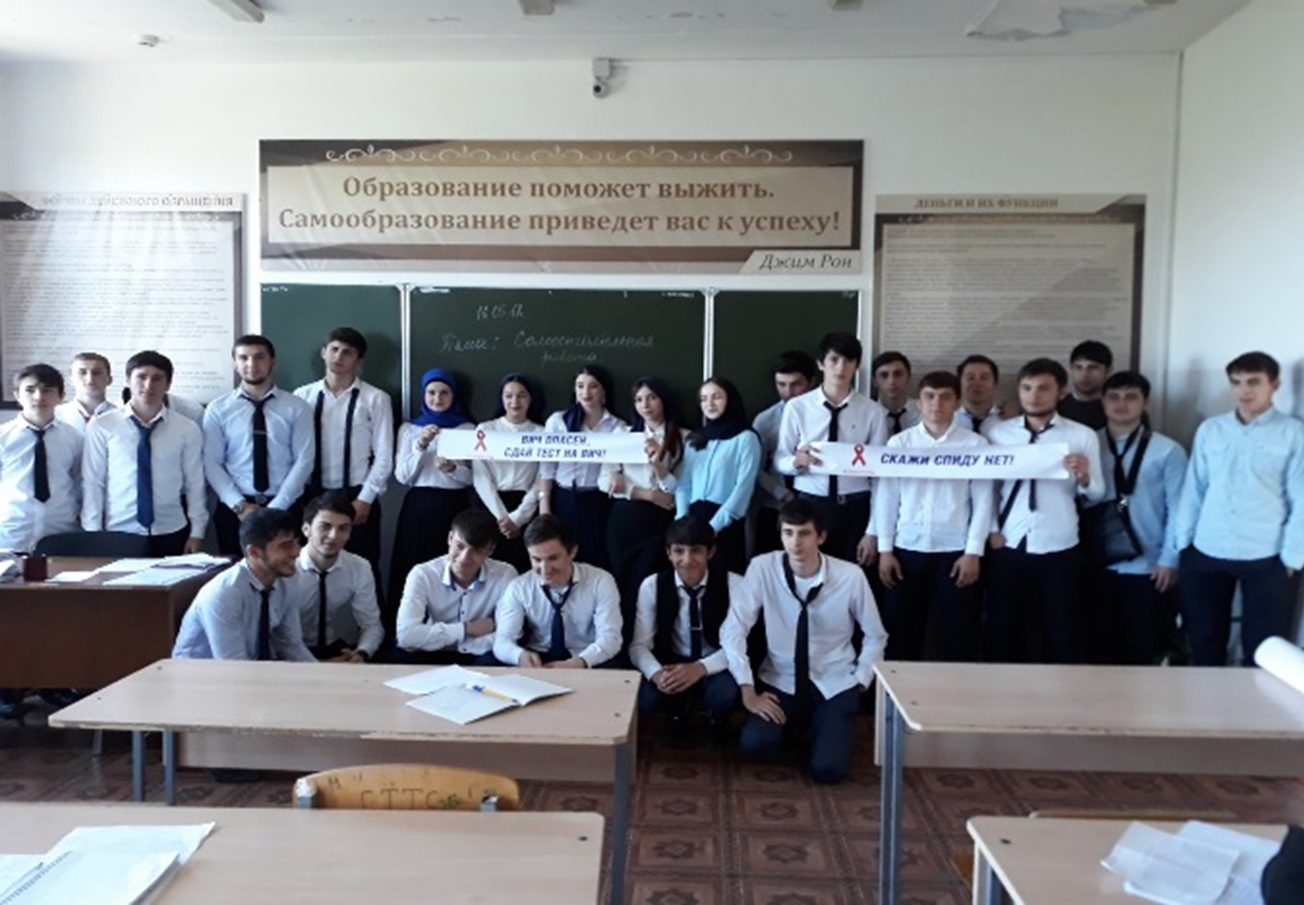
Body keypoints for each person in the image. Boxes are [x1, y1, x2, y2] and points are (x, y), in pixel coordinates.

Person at [721, 498, 887, 784]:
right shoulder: (762, 568)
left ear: (821, 537)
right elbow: (733, 629)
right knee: (754, 745)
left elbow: (875, 635)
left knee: (829, 771)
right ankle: (800, 730)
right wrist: (747, 689)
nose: (795, 543)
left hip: (834, 679)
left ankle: (822, 730)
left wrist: (860, 681)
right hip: (781, 677)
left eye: (804, 533)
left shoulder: (850, 576)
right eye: (788, 533)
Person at [1175, 351, 1304, 666]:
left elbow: (1301, 498)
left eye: (1254, 382)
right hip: (1207, 549)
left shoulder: (1293, 432)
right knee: (1204, 643)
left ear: (1275, 385)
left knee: (1264, 651)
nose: (1244, 390)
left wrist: (1293, 557)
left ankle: (1252, 702)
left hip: (1267, 554)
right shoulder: (1211, 429)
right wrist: (1183, 544)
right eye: (1237, 382)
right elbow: (1194, 488)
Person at [984, 358, 1105, 663]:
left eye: (1043, 388)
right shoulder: (999, 434)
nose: (1034, 395)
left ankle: (1060, 689)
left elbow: (1097, 493)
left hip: (1060, 542)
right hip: (1009, 541)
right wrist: (992, 529)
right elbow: (988, 489)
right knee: (1003, 627)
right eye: (1027, 388)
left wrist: (1084, 476)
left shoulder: (1081, 436)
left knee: (1062, 628)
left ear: (1061, 392)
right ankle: (1003, 687)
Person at [873, 371, 993, 661]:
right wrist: (885, 550)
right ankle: (899, 689)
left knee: (956, 631)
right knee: (901, 629)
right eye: (929, 396)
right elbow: (887, 498)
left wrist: (973, 552)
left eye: (945, 397)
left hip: (955, 551)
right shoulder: (899, 444)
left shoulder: (975, 445)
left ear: (957, 403)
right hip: (906, 548)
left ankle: (954, 689)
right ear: (919, 403)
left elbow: (983, 501)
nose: (936, 403)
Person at [1088, 371, 1186, 665]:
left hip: (1149, 567)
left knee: (1146, 647)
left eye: (1131, 397)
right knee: (1100, 648)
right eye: (1114, 397)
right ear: (1103, 402)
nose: (1121, 404)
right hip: (1097, 565)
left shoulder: (1168, 450)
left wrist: (1170, 560)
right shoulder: (1087, 443)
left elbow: (1179, 509)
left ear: (1146, 403)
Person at [776, 332, 888, 566]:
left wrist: (873, 530)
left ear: (856, 366)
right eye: (834, 360)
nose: (840, 368)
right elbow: (780, 458)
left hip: (856, 506)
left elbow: (880, 475)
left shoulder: (873, 412)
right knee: (810, 572)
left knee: (854, 575)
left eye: (848, 361)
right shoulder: (798, 407)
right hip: (810, 502)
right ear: (821, 363)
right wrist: (796, 461)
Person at [293, 327, 395, 584]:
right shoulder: (302, 397)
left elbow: (384, 455)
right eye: (334, 349)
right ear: (323, 352)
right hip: (311, 496)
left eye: (347, 352)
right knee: (308, 568)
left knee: (364, 568)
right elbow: (293, 453)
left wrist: (366, 498)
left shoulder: (376, 399)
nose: (339, 357)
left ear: (359, 360)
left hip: (357, 497)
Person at [81, 350, 208, 556]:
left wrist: (198, 530)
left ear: (168, 385)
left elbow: (195, 482)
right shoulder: (102, 425)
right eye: (141, 377)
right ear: (127, 381)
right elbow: (93, 482)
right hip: (119, 530)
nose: (149, 385)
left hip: (172, 528)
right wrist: (93, 533)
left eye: (157, 379)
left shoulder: (186, 428)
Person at [629, 516, 741, 741]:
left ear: (711, 552)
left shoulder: (735, 585)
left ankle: (716, 718)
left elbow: (739, 645)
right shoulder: (652, 585)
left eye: (696, 551)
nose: (687, 560)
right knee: (647, 699)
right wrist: (657, 674)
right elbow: (639, 645)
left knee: (724, 694)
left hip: (716, 661)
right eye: (679, 551)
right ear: (668, 553)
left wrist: (701, 668)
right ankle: (677, 714)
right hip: (672, 660)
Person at [203, 335, 314, 556]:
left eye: (259, 357)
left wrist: (276, 507)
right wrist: (239, 506)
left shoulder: (297, 407)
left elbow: (304, 460)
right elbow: (211, 462)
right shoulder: (218, 409)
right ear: (235, 364)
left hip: (285, 506)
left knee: (287, 570)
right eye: (243, 358)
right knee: (236, 570)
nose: (251, 364)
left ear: (273, 362)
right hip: (235, 509)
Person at [601, 376, 685, 650]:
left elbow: (677, 489)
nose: (645, 405)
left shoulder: (683, 437)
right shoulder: (623, 435)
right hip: (626, 519)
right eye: (639, 400)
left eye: (651, 398)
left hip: (661, 520)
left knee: (652, 584)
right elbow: (605, 481)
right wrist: (646, 493)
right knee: (623, 583)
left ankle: (651, 646)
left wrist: (659, 465)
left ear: (663, 400)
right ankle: (620, 647)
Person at [172, 507, 316, 662]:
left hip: (247, 668)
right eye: (286, 546)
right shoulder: (225, 593)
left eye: (296, 543)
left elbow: (290, 645)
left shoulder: (287, 581)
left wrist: (322, 674)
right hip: (200, 674)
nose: (296, 552)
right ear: (254, 552)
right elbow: (232, 664)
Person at [389, 368, 474, 623]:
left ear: (454, 395)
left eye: (444, 393)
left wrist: (453, 469)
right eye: (431, 392)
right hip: (418, 508)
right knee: (413, 567)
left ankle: (450, 626)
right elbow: (402, 476)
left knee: (450, 568)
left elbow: (473, 478)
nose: (437, 399)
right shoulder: (409, 429)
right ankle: (409, 626)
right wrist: (420, 446)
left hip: (454, 507)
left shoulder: (467, 428)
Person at [492, 515, 622, 669]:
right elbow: (502, 642)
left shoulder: (600, 581)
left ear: (572, 552)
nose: (545, 569)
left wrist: (579, 663)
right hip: (539, 659)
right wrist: (519, 656)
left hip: (587, 657)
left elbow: (611, 638)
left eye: (553, 558)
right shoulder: (519, 587)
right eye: (537, 560)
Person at [395, 508, 518, 665]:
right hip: (435, 653)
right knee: (400, 655)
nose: (464, 558)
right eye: (460, 546)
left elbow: (508, 637)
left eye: (476, 551)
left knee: (498, 660)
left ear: (490, 550)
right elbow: (405, 636)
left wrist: (452, 645)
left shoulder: (505, 574)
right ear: (450, 538)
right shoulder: (422, 574)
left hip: (473, 653)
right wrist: (466, 629)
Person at [537, 364, 627, 569]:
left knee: (595, 559)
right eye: (580, 386)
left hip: (598, 501)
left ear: (604, 391)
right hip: (563, 498)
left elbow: (618, 466)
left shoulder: (617, 426)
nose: (586, 392)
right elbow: (547, 467)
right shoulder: (558, 421)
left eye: (593, 386)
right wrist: (544, 506)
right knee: (561, 557)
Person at [676, 378, 761, 575]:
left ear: (730, 400)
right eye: (704, 399)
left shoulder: (746, 438)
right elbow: (684, 485)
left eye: (716, 397)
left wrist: (712, 528)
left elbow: (743, 490)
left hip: (725, 523)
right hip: (693, 520)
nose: (710, 404)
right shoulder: (695, 438)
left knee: (723, 581)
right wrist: (681, 522)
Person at [288, 491, 383, 663]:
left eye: (343, 528)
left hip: (341, 651)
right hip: (292, 655)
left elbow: (371, 625)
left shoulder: (359, 567)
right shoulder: (287, 567)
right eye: (325, 527)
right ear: (306, 529)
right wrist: (318, 666)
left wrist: (362, 653)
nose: (334, 536)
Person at [0, 363, 83, 553]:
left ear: (61, 396)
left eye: (47, 390)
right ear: (17, 396)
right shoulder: (3, 437)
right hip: (11, 531)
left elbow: (79, 482)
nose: (39, 397)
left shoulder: (74, 438)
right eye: (30, 390)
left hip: (61, 530)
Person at [471, 373, 546, 573]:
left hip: (526, 507)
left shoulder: (543, 433)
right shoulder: (486, 429)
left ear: (531, 399)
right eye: (508, 395)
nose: (515, 401)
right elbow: (481, 477)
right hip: (490, 507)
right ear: (501, 399)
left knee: (523, 568)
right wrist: (502, 517)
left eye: (521, 395)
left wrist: (518, 518)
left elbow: (541, 479)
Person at [752, 351, 818, 556]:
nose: (788, 392)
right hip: (775, 507)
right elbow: (756, 468)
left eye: (796, 384)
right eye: (781, 384)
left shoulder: (824, 417)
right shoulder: (764, 421)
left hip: (815, 507)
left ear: (811, 382)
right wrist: (782, 494)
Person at [1058, 339, 1113, 431]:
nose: (1085, 374)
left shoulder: (1117, 409)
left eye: (1093, 367)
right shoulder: (1056, 407)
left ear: (1108, 371)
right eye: (1078, 367)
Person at [53, 352, 113, 430]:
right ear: (71, 380)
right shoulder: (55, 416)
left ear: (109, 380)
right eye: (82, 373)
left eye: (96, 373)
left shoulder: (122, 418)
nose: (90, 379)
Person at [871, 350, 920, 436]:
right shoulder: (868, 414)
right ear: (875, 381)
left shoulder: (924, 412)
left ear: (908, 378)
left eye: (898, 374)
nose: (892, 381)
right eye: (884, 375)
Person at [954, 354, 1004, 434]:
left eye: (984, 378)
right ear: (959, 383)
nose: (977, 383)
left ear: (995, 384)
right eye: (970, 378)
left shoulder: (1008, 420)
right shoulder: (948, 420)